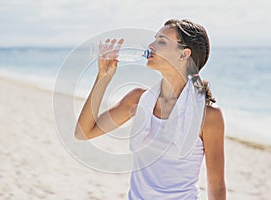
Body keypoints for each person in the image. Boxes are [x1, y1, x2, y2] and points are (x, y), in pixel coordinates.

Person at [75, 19, 226, 200]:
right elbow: (83, 132)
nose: (151, 45)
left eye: (161, 41)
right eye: (155, 39)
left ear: (184, 54)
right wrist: (103, 77)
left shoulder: (207, 115)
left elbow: (216, 185)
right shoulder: (138, 100)